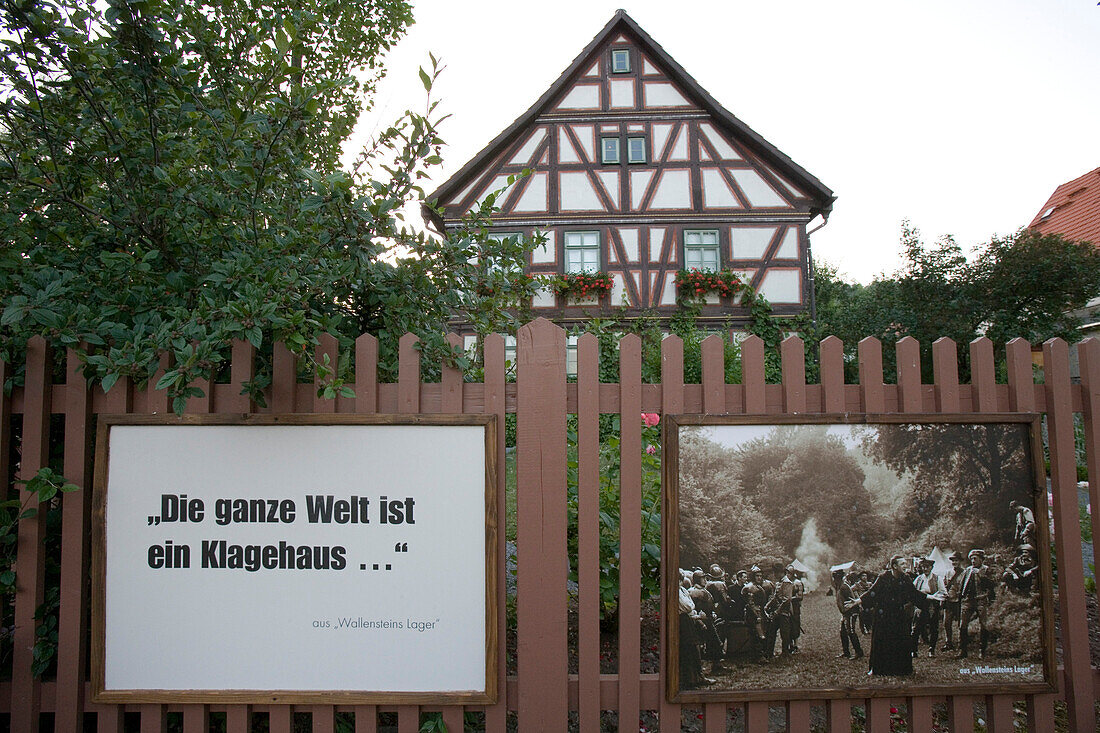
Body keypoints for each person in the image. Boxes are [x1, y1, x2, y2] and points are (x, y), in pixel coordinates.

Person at [851, 555, 928, 676]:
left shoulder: (906, 578)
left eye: (905, 563)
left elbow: (914, 593)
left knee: (902, 640)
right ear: (894, 566)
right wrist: (858, 601)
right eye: (902, 564)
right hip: (883, 615)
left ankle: (901, 669)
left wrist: (930, 597)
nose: (905, 566)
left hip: (899, 614)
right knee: (881, 641)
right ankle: (878, 669)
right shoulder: (883, 578)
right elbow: (872, 593)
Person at [957, 549, 996, 659]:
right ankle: (962, 650)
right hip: (968, 600)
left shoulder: (987, 570)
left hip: (981, 599)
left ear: (981, 559)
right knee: (962, 625)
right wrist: (961, 597)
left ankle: (982, 651)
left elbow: (992, 584)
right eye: (972, 559)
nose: (973, 561)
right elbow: (962, 585)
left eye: (975, 559)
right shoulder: (968, 570)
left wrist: (981, 575)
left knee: (983, 625)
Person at [912, 557, 944, 657]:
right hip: (921, 605)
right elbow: (912, 591)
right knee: (916, 628)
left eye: (927, 567)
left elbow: (943, 592)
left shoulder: (937, 578)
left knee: (934, 628)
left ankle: (931, 649)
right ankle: (914, 650)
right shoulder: (919, 579)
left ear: (931, 567)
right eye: (923, 567)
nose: (925, 569)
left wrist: (934, 597)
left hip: (932, 605)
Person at [831, 567, 864, 659]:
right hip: (845, 613)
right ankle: (846, 652)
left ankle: (859, 652)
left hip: (851, 612)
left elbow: (852, 600)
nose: (834, 580)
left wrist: (852, 612)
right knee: (843, 632)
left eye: (835, 578)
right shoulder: (839, 586)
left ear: (838, 578)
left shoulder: (844, 586)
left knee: (851, 631)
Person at [941, 552, 965, 652]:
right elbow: (944, 585)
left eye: (956, 560)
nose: (954, 562)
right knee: (947, 623)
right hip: (949, 600)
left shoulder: (964, 573)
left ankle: (961, 643)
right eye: (953, 560)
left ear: (960, 561)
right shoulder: (948, 572)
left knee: (961, 623)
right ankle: (948, 642)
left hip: (959, 600)